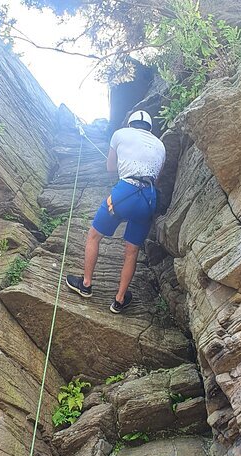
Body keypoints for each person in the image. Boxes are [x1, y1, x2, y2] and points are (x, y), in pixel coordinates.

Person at [66, 111, 166, 314]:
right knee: (132, 252)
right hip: (148, 198)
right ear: (150, 129)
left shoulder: (120, 134)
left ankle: (85, 285)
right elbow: (157, 178)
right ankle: (119, 300)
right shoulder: (160, 146)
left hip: (124, 193)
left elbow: (110, 167)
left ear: (131, 124)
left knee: (94, 236)